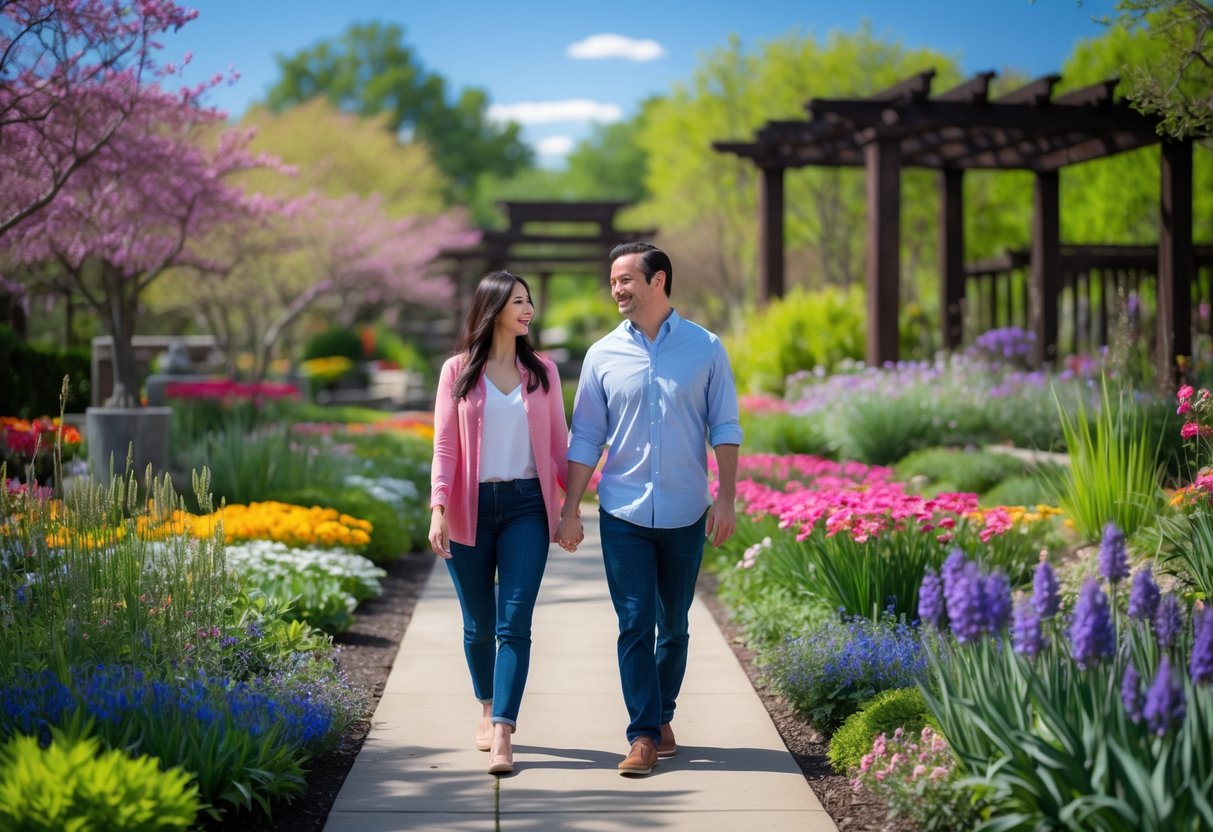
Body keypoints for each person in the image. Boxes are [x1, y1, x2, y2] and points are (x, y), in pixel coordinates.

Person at [556, 242, 742, 776]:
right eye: (613, 281)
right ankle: (642, 735)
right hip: (623, 511)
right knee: (635, 622)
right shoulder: (602, 355)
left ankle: (662, 713)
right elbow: (586, 436)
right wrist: (571, 509)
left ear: (658, 280)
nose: (617, 289)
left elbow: (725, 427)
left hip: (687, 509)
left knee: (675, 625)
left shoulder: (706, 348)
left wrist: (725, 498)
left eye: (625, 279)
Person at [429, 270, 578, 776]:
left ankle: (503, 732)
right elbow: (446, 446)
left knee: (514, 623)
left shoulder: (544, 372)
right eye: (519, 301)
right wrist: (438, 507)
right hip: (472, 508)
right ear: (492, 308)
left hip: (525, 510)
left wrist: (572, 507)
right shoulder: (457, 372)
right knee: (478, 626)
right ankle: (487, 706)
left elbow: (560, 443)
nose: (529, 308)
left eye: (530, 300)